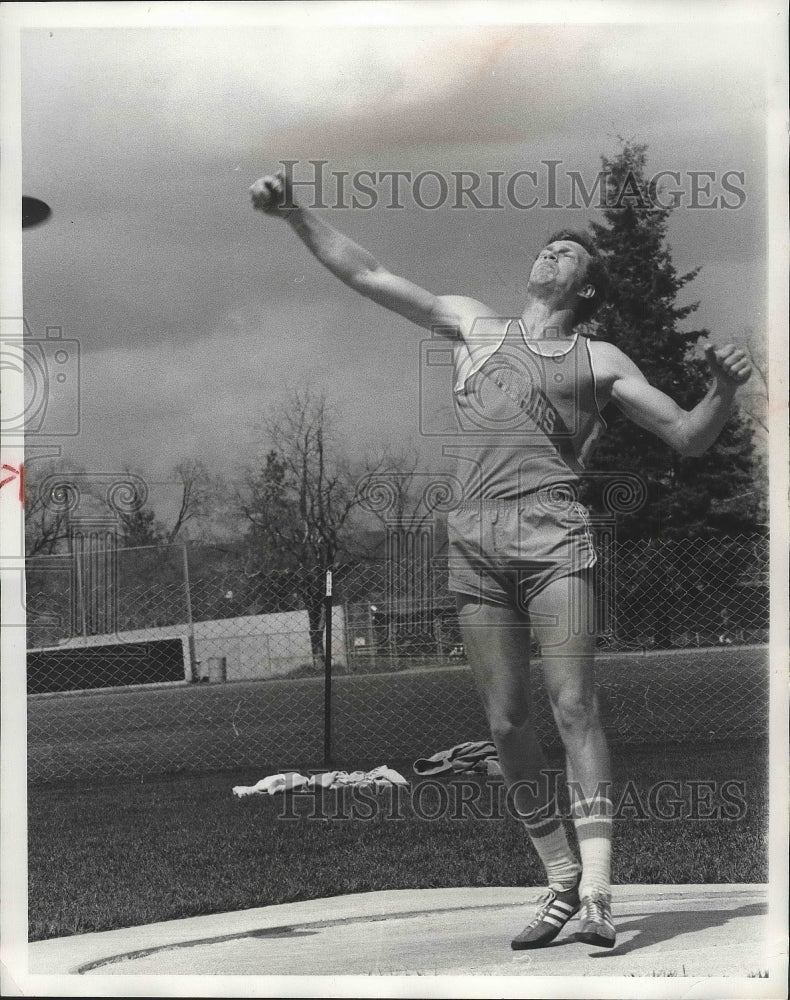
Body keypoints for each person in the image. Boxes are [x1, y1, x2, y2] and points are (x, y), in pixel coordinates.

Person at [250, 169, 752, 950]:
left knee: (574, 707)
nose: (552, 255)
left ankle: (600, 893)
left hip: (555, 536)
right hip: (475, 541)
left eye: (569, 254)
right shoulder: (476, 326)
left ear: (588, 290)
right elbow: (370, 273)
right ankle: (557, 880)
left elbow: (688, 434)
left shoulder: (601, 358)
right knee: (506, 721)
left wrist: (722, 392)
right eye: (546, 247)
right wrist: (294, 215)